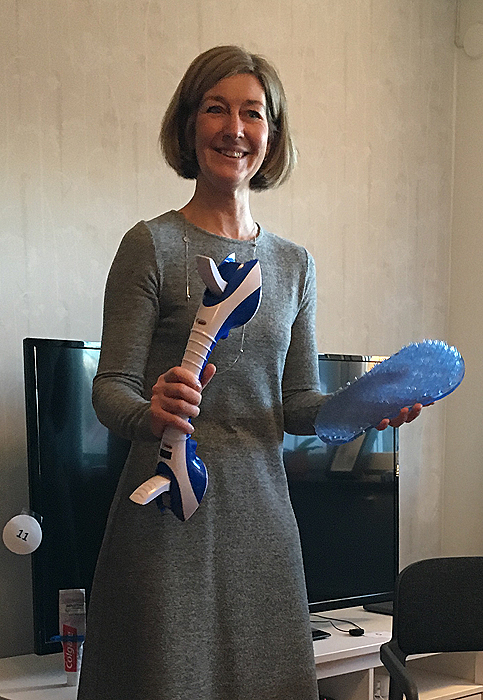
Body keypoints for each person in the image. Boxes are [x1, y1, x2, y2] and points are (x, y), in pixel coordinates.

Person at [77, 45, 422, 700]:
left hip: (262, 522)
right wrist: (150, 412)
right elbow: (108, 387)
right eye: (215, 109)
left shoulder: (294, 265)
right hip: (167, 518)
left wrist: (361, 409)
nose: (234, 128)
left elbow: (297, 404)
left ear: (272, 132)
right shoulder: (151, 246)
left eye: (252, 113)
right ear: (189, 124)